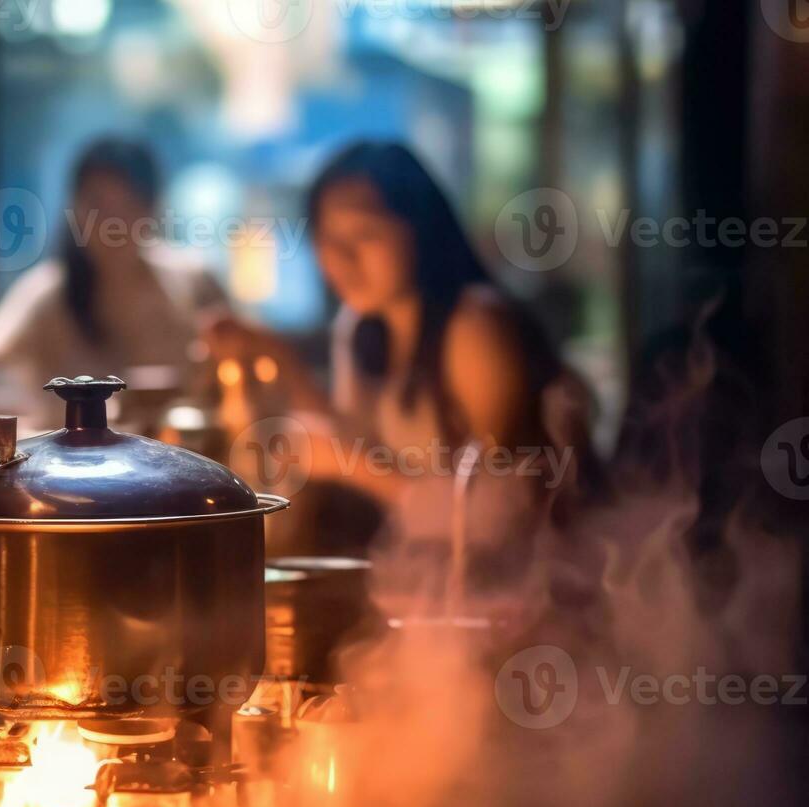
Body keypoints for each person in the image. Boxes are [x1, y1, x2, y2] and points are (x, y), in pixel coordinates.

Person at [214, 141, 597, 544]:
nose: (341, 257)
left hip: (540, 572)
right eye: (326, 237)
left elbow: (497, 518)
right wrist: (278, 358)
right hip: (432, 570)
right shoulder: (361, 325)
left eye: (365, 233)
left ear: (420, 227)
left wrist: (352, 466)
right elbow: (354, 437)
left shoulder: (475, 327)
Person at [0, 137, 227, 410]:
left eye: (129, 206)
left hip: (177, 449)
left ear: (153, 210)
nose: (114, 224)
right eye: (98, 207)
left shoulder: (192, 282)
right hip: (71, 451)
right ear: (75, 209)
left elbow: (242, 359)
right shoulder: (48, 292)